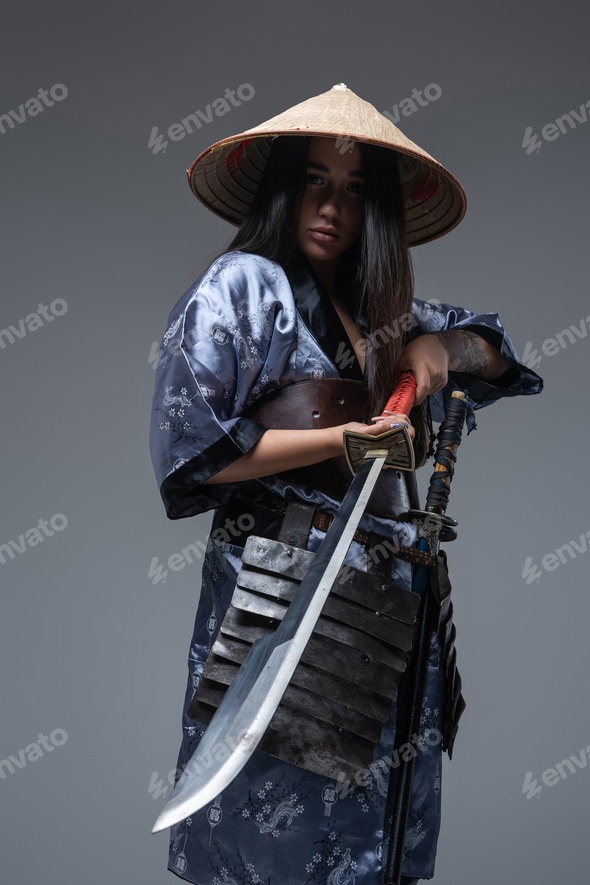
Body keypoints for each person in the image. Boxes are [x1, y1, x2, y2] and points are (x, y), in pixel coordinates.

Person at [150, 84, 542, 884]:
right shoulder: (243, 287)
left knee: (379, 841)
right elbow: (194, 456)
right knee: (270, 835)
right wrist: (343, 439)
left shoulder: (383, 310)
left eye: (357, 190)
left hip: (385, 606)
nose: (333, 206)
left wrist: (439, 347)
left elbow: (497, 355)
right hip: (280, 599)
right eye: (316, 181)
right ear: (283, 187)